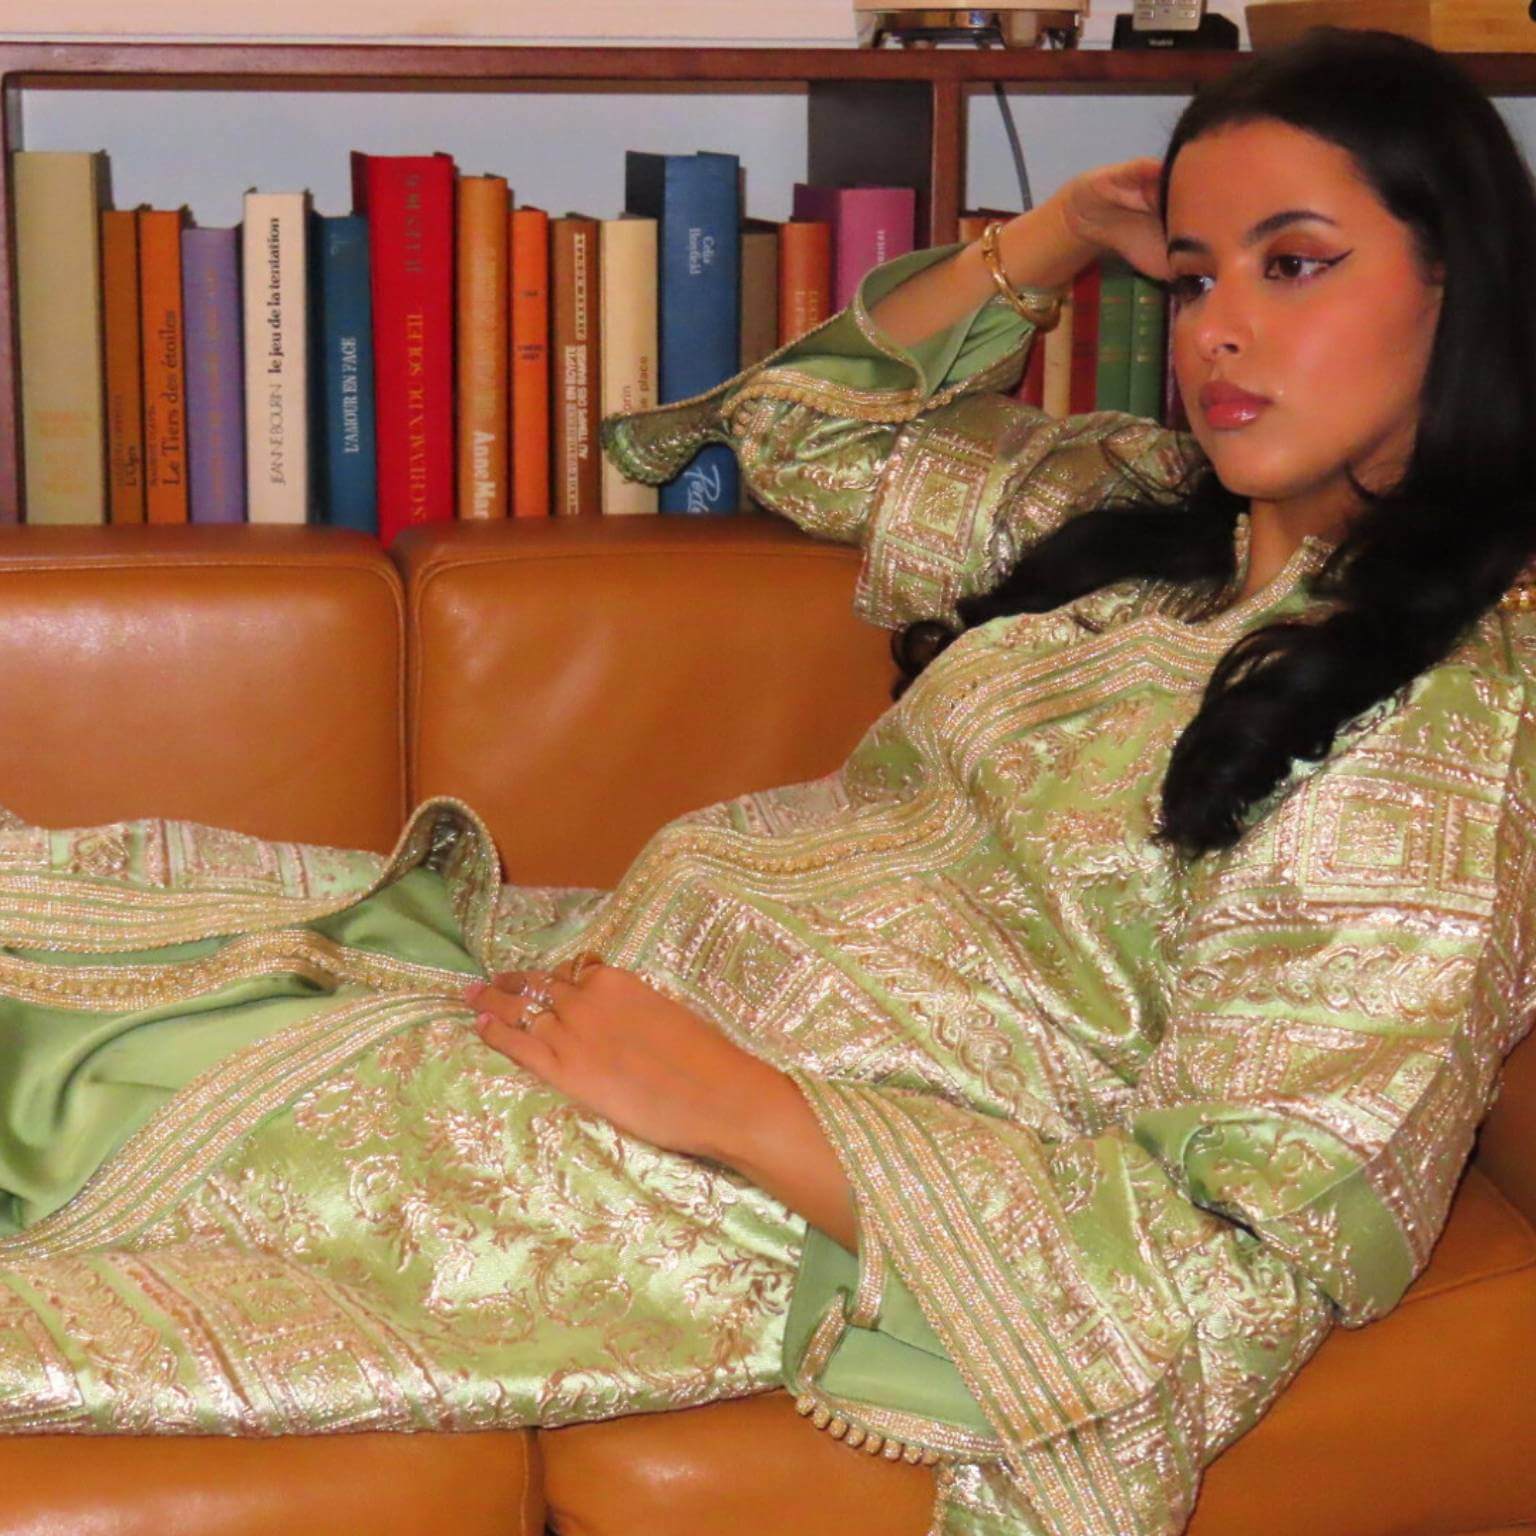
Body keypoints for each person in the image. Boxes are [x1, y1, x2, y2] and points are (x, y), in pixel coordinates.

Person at [2, 23, 1535, 1536]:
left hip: (724, 1169)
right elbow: (794, 431)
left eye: (1295, 264)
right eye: (1194, 277)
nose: (1215, 333)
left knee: (90, 1125)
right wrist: (1056, 233)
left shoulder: (1431, 726)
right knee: (83, 960)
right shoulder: (1136, 523)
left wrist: (736, 1107)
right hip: (596, 981)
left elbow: (1230, 1255)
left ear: (1457, 285)